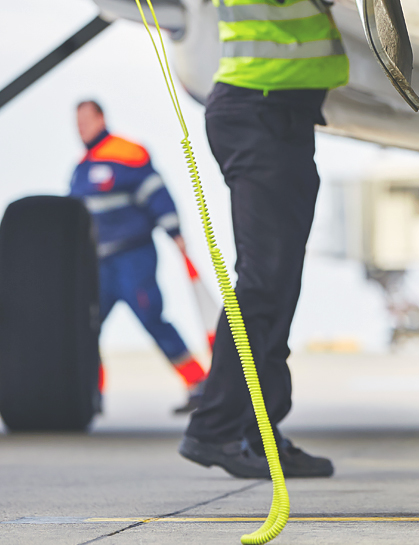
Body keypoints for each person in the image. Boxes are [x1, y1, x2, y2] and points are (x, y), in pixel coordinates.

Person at [178, 0, 347, 479]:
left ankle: (258, 433)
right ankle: (215, 430)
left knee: (277, 286)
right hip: (259, 112)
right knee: (263, 282)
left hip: (281, 114)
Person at [69, 100, 208, 413]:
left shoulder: (127, 154)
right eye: (77, 124)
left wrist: (175, 233)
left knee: (151, 318)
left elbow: (155, 193)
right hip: (99, 265)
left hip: (133, 257)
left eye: (86, 121)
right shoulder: (81, 168)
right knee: (86, 326)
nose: (81, 129)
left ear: (101, 118)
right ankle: (91, 391)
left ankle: (199, 384)